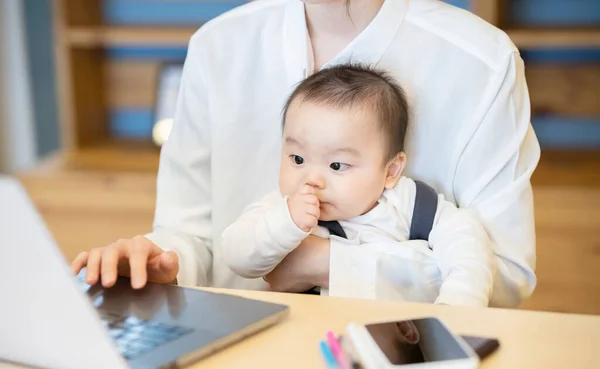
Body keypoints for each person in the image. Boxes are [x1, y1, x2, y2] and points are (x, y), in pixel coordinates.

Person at [71, 0, 540, 308]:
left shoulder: (481, 61)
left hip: (402, 361)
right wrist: (161, 263)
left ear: (393, 168)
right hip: (235, 360)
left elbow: (505, 276)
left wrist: (326, 262)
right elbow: (194, 238)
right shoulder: (217, 46)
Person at [222, 64, 495, 306]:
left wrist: (460, 301)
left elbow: (466, 242)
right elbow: (237, 256)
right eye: (298, 158)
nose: (311, 179)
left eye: (337, 166)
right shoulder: (280, 209)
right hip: (305, 341)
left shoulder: (413, 205)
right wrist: (286, 223)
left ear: (391, 171)